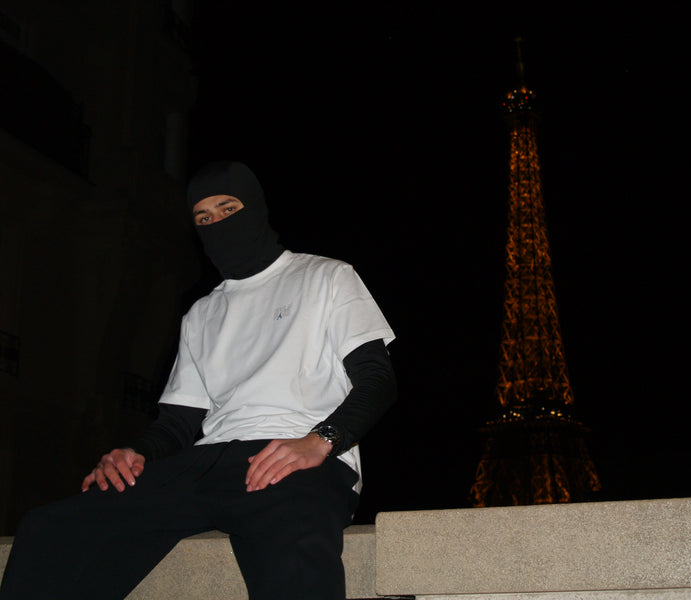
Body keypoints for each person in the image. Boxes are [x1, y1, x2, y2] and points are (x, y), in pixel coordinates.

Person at [0, 161, 397, 600]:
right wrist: (135, 453)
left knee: (295, 562)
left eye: (228, 208)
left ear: (255, 207)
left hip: (292, 454)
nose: (216, 223)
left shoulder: (327, 276)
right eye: (203, 218)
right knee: (49, 529)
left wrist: (321, 440)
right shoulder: (202, 313)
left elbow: (376, 377)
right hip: (205, 462)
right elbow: (178, 423)